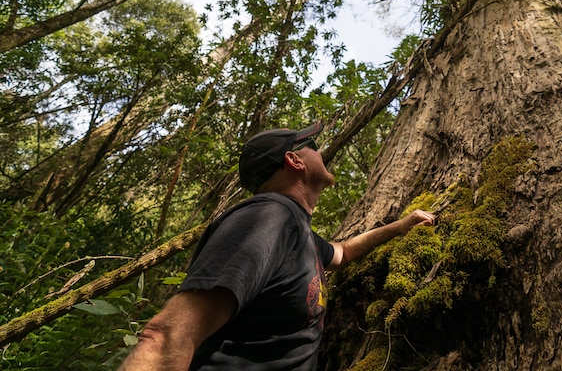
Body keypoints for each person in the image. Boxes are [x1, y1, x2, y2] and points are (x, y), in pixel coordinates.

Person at [118, 123, 435, 371]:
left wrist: (400, 226)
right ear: (294, 160)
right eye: (311, 145)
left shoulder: (296, 231)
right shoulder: (269, 216)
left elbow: (343, 252)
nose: (319, 150)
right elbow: (166, 337)